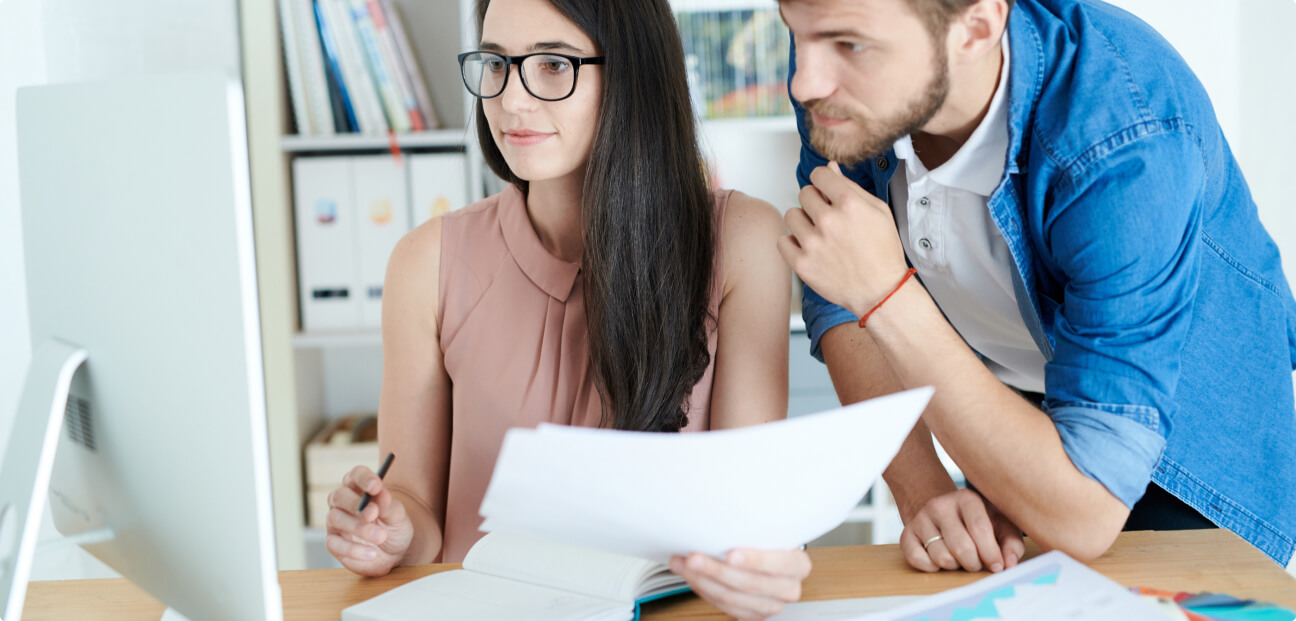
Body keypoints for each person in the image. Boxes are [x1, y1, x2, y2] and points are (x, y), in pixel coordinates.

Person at [325, 0, 811, 617]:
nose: (511, 100)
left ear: (633, 73)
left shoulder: (740, 242)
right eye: (496, 64)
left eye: (554, 64)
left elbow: (749, 512)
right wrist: (388, 531)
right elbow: (416, 509)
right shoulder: (425, 263)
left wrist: (765, 555)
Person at [776, 0, 1296, 574]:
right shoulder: (843, 77)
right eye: (795, 32)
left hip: (1191, 451)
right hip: (1012, 405)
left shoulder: (1124, 137)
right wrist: (923, 488)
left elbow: (1084, 516)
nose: (804, 83)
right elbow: (836, 270)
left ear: (975, 28)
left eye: (850, 45)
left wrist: (886, 296)